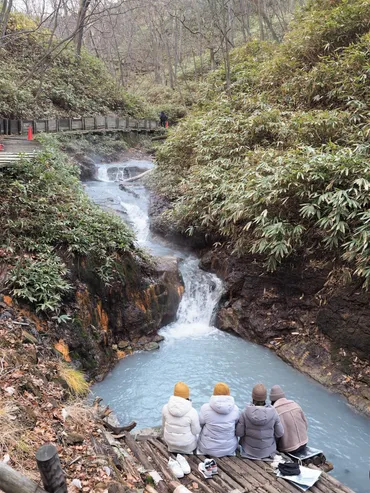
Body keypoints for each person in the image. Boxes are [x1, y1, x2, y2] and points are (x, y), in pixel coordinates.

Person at [236, 383, 284, 460]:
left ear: (252, 397)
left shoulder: (245, 412)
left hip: (247, 452)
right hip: (268, 453)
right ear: (265, 398)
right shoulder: (274, 412)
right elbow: (280, 433)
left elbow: (239, 433)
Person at [197, 382, 240, 457]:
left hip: (207, 448)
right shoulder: (235, 409)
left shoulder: (205, 408)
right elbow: (236, 425)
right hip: (229, 449)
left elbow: (200, 423)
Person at [162, 382, 201, 454]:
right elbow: (196, 431)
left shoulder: (165, 408)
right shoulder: (192, 412)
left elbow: (163, 426)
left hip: (170, 444)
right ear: (187, 395)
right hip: (187, 447)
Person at [270, 385, 308, 454]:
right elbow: (306, 424)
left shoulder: (274, 411)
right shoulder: (295, 405)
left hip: (289, 449)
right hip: (304, 443)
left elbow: (276, 434)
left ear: (272, 400)